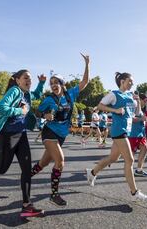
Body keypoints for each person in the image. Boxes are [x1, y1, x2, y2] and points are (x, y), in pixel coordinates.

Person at [0, 70, 46, 218]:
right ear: (17, 80)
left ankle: (26, 205)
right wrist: (20, 110)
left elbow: (37, 94)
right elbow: (1, 108)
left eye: (30, 79)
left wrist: (42, 83)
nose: (29, 80)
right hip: (8, 135)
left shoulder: (26, 94)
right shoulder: (15, 90)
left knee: (26, 170)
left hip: (22, 134)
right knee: (2, 168)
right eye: (26, 78)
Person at [30, 54, 90, 206]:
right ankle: (54, 194)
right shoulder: (49, 99)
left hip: (62, 135)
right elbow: (37, 111)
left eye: (56, 82)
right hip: (49, 133)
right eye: (51, 83)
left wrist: (87, 63)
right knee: (60, 161)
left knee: (42, 164)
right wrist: (45, 114)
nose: (54, 85)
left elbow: (85, 82)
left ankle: (26, 177)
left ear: (62, 84)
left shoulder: (70, 94)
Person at [86, 72, 147, 202]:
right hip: (118, 130)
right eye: (129, 81)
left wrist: (137, 102)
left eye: (132, 81)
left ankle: (92, 172)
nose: (132, 83)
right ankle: (135, 193)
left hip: (126, 130)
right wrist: (115, 111)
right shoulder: (114, 94)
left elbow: (135, 114)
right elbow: (100, 106)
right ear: (122, 81)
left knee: (113, 158)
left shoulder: (130, 95)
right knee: (130, 160)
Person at [129, 93, 147, 177]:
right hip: (133, 134)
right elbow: (131, 119)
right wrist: (141, 119)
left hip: (140, 134)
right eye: (145, 101)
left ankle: (139, 170)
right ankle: (98, 168)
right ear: (140, 100)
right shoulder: (134, 107)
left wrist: (145, 122)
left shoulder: (140, 110)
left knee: (145, 149)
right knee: (130, 156)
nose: (146, 103)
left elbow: (139, 120)